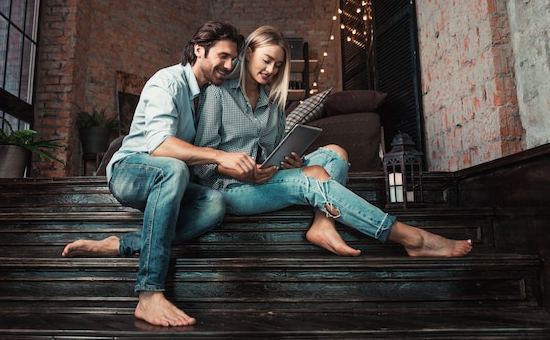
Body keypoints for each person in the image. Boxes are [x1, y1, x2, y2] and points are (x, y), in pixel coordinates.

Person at [194, 25, 473, 259]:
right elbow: (203, 166)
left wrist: (292, 161)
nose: (271, 69)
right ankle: (410, 237)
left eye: (278, 65)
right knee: (313, 177)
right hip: (233, 189)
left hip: (268, 177)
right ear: (249, 53)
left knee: (334, 153)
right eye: (266, 60)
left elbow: (277, 152)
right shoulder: (216, 95)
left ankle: (323, 222)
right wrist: (241, 170)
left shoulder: (274, 104)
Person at [62, 21, 257, 327]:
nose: (229, 65)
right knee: (174, 168)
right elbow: (161, 146)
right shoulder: (167, 82)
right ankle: (149, 293)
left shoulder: (206, 96)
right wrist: (222, 156)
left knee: (214, 203)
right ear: (198, 50)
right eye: (223, 56)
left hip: (172, 178)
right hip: (131, 170)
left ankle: (122, 244)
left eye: (234, 59)